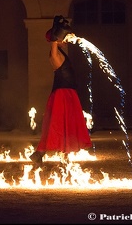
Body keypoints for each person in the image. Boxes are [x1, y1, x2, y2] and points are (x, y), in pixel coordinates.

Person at [30, 16, 92, 165]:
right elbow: (53, 47)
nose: (66, 41)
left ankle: (43, 154)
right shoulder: (55, 54)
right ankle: (51, 154)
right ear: (57, 39)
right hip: (63, 94)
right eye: (63, 38)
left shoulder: (59, 53)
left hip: (66, 93)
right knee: (61, 124)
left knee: (64, 124)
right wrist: (54, 37)